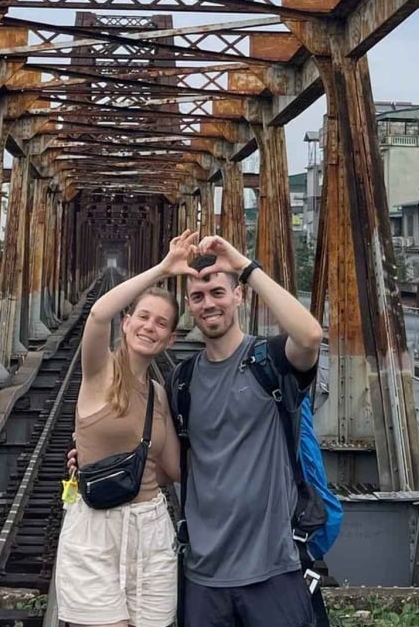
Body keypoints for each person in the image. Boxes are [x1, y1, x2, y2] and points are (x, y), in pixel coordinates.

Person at [170, 234, 324, 627]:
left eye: (218, 291)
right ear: (189, 306)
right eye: (198, 296)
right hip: (204, 573)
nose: (209, 304)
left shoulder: (269, 360)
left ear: (239, 296)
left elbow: (309, 336)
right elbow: (167, 459)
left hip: (273, 569)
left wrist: (244, 266)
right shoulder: (182, 381)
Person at [56, 231, 188, 627]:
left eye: (161, 323)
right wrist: (163, 269)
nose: (150, 327)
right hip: (96, 527)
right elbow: (97, 315)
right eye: (143, 317)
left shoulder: (161, 396)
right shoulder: (98, 373)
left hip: (150, 529)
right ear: (127, 322)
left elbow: (175, 471)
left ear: (170, 338)